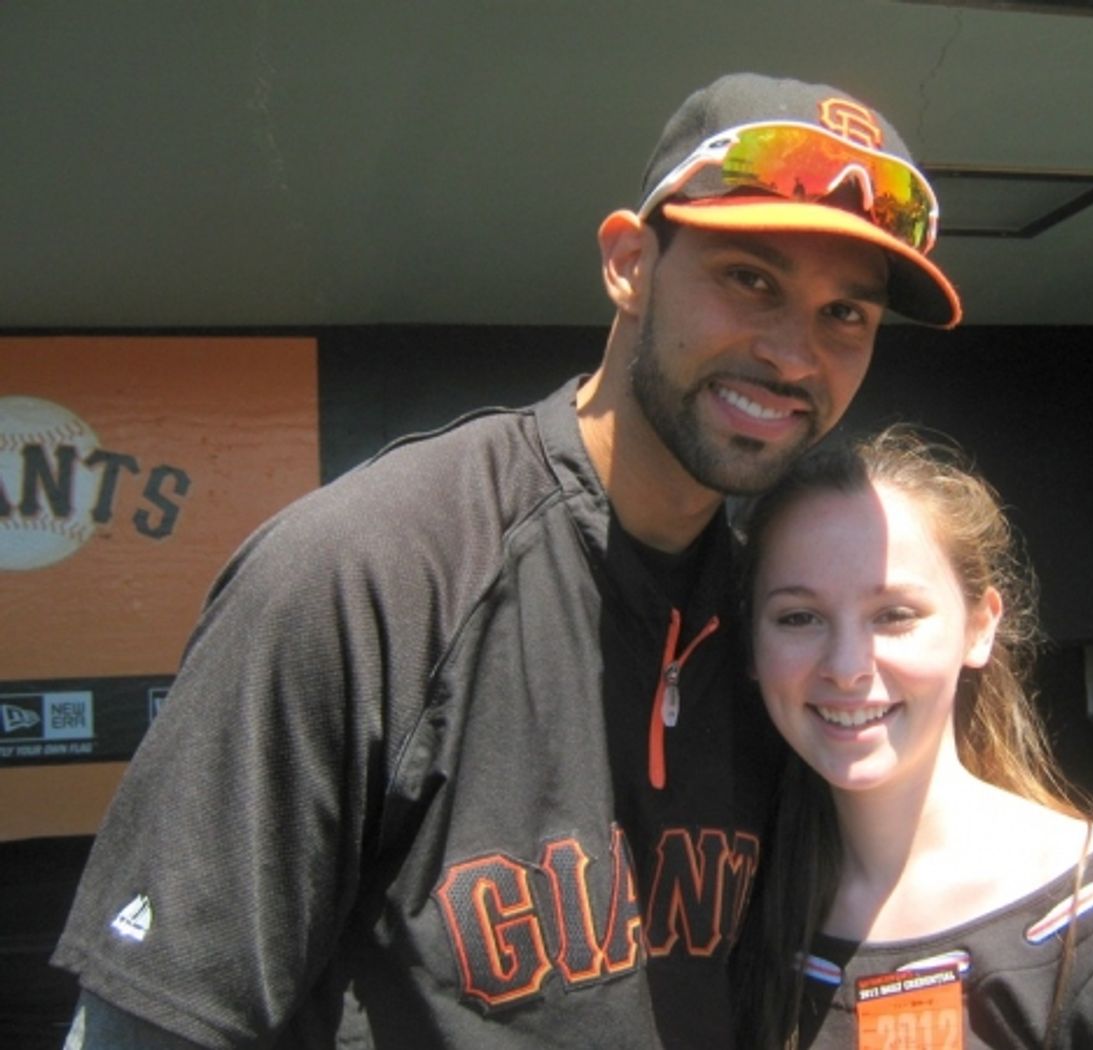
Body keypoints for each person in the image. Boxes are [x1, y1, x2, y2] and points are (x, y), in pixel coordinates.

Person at [51, 73, 963, 1048]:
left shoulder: (776, 626)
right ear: (627, 264)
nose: (793, 354)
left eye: (846, 315)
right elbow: (150, 1025)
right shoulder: (366, 574)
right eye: (749, 279)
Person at [733, 427, 1093, 1049]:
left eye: (895, 614)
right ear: (752, 645)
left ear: (980, 627)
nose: (847, 665)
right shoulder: (731, 911)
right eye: (799, 617)